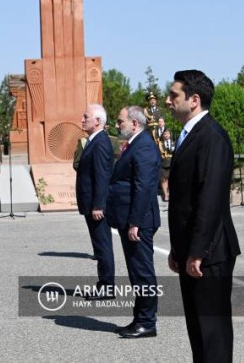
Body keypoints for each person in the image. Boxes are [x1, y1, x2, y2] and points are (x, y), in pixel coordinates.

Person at [166, 70, 241, 363]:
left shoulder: (212, 137)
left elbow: (209, 200)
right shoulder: (190, 135)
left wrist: (197, 252)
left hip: (210, 253)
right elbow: (186, 201)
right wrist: (179, 249)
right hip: (192, 252)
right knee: (198, 330)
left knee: (213, 333)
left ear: (194, 100)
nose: (168, 100)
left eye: (174, 95)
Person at [107, 106, 161, 338]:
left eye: (121, 122)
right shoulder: (135, 143)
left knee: (143, 272)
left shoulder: (145, 146)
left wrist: (135, 222)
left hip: (139, 220)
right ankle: (139, 318)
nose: (117, 125)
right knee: (136, 272)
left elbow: (144, 188)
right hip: (130, 218)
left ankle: (147, 322)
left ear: (134, 123)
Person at [75, 103, 115, 300]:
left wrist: (99, 204)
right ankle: (104, 284)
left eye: (86, 116)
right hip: (91, 203)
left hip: (96, 206)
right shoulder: (93, 140)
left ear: (98, 121)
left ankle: (106, 286)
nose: (82, 120)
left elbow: (102, 175)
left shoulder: (100, 142)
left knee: (102, 245)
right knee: (99, 245)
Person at [158, 129, 174, 202]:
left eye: (167, 134)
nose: (166, 135)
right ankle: (166, 195)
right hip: (163, 163)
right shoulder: (160, 144)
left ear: (170, 135)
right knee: (164, 180)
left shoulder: (174, 142)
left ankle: (169, 193)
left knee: (171, 179)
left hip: (171, 163)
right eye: (165, 134)